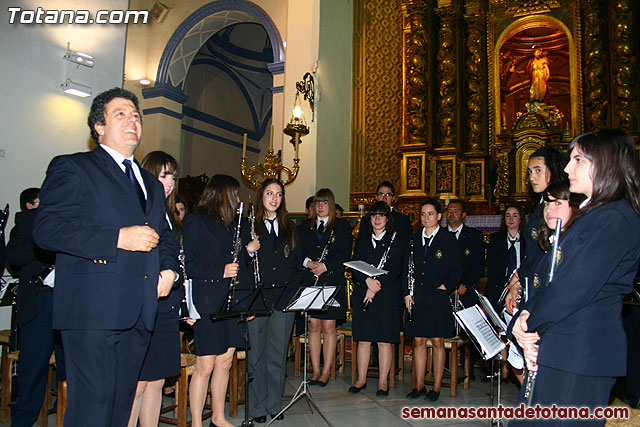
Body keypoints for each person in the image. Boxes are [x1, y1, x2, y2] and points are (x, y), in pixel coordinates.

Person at [33, 88, 178, 427]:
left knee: (119, 407)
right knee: (93, 406)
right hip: (93, 309)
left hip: (139, 309)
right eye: (121, 114)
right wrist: (117, 238)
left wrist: (169, 271)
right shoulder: (74, 167)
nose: (133, 121)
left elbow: (165, 237)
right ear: (98, 126)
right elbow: (48, 230)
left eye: (137, 116)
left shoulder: (150, 184)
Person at [511, 129, 640, 422]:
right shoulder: (594, 215)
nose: (568, 168)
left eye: (578, 160)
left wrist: (527, 325)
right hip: (563, 345)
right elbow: (554, 278)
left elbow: (572, 288)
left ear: (605, 163)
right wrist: (523, 318)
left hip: (581, 351)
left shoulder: (614, 218)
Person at [183, 174, 255, 427]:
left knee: (225, 361)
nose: (237, 200)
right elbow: (188, 264)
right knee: (206, 364)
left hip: (234, 300)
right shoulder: (195, 221)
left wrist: (247, 303)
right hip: (209, 299)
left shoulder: (235, 225)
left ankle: (218, 417)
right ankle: (196, 423)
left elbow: (241, 267)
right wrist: (219, 270)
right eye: (234, 195)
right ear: (222, 195)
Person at [128, 151, 183, 427]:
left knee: (157, 381)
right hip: (144, 304)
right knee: (137, 383)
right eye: (163, 176)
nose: (170, 182)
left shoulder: (169, 213)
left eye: (173, 177)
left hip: (166, 306)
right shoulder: (140, 206)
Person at [7, 188, 65, 427]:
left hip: (69, 301)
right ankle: (22, 420)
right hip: (41, 300)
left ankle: (64, 412)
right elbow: (15, 257)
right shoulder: (27, 221)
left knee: (70, 367)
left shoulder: (69, 219)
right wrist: (45, 247)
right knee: (33, 367)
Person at [246, 178, 302, 424]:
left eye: (279, 194)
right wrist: (248, 251)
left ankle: (273, 404)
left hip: (283, 301)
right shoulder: (249, 226)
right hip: (257, 301)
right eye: (270, 193)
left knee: (277, 357)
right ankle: (256, 407)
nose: (274, 198)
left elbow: (297, 266)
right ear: (261, 196)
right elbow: (241, 265)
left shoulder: (291, 227)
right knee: (256, 357)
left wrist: (290, 297)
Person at [404, 198, 461, 402]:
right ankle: (419, 384)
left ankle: (435, 387)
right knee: (418, 342)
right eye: (422, 214)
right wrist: (406, 293)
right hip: (417, 298)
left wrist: (446, 286)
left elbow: (456, 270)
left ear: (439, 216)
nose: (426, 218)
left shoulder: (448, 239)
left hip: (437, 299)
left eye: (430, 214)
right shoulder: (413, 239)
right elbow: (406, 269)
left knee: (437, 342)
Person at [349, 201, 405, 396]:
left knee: (384, 341)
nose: (377, 219)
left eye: (381, 215)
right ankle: (361, 379)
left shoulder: (396, 241)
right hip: (364, 294)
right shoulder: (362, 241)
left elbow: (396, 269)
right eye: (374, 216)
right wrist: (366, 282)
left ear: (388, 219)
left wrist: (374, 288)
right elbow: (355, 267)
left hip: (386, 296)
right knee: (363, 339)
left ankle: (383, 382)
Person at [298, 188, 352, 386]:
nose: (320, 206)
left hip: (331, 279)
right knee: (313, 325)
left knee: (328, 326)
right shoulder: (304, 227)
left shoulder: (342, 227)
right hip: (310, 279)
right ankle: (315, 369)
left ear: (331, 204)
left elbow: (345, 252)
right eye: (317, 203)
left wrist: (325, 266)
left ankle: (326, 371)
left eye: (324, 203)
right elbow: (298, 251)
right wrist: (308, 263)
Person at [505, 146, 568, 314]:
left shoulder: (558, 207)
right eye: (530, 171)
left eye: (538, 170)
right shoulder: (541, 204)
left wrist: (519, 276)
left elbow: (546, 253)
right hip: (533, 281)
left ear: (553, 170)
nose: (532, 177)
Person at [485, 205, 526, 311]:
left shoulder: (528, 240)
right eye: (507, 216)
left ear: (520, 218)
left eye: (515, 216)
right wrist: (506, 284)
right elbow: (492, 266)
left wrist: (517, 283)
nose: (511, 219)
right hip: (500, 285)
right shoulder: (496, 239)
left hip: (522, 285)